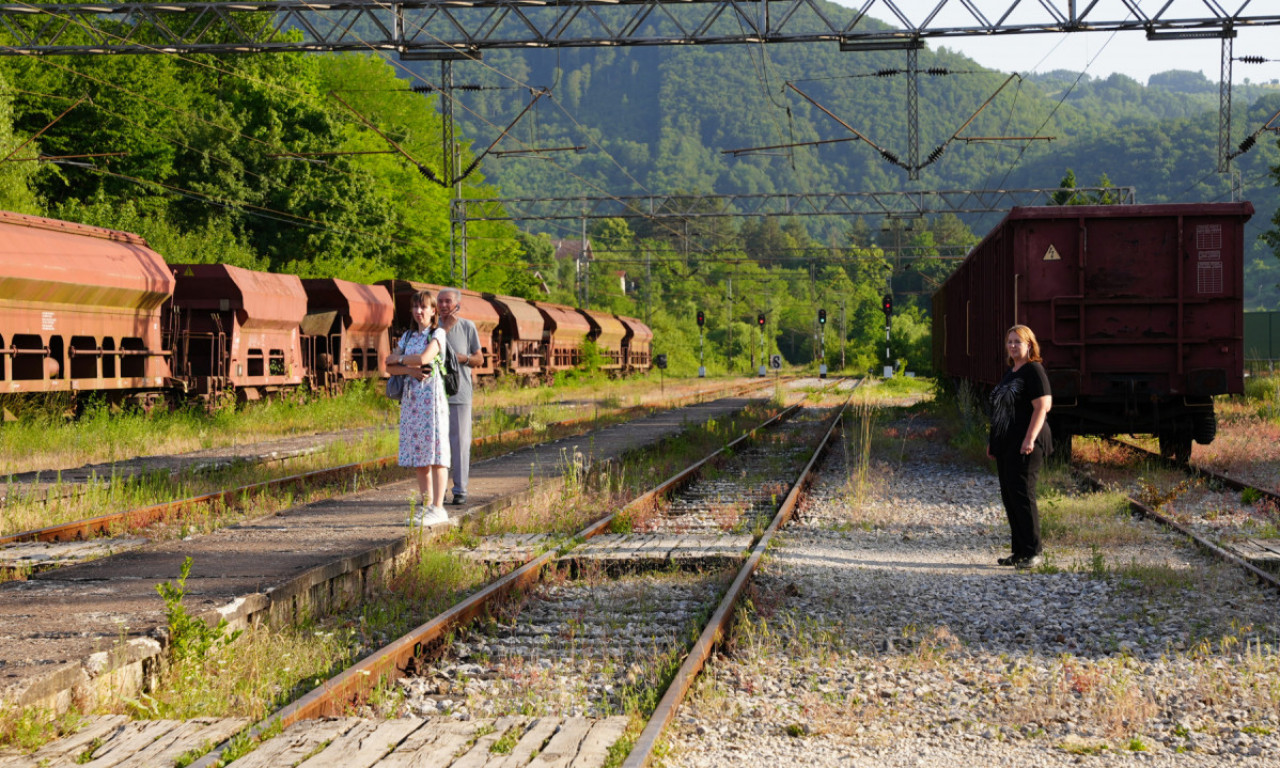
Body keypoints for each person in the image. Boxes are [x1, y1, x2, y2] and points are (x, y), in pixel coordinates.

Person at [987, 324, 1053, 569]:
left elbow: (1042, 407)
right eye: (1010, 341)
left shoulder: (1034, 370)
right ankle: (1018, 551)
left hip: (1026, 444)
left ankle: (1033, 551)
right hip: (1007, 445)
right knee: (1010, 497)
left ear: (1029, 345)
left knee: (1024, 496)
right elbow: (1001, 410)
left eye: (1018, 342)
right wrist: (993, 443)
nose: (1013, 346)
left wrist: (1030, 439)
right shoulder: (1011, 372)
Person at [387, 290, 451, 526]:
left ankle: (439, 507)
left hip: (432, 402)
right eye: (415, 307)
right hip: (413, 402)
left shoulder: (438, 334)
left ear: (433, 311)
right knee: (420, 457)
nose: (418, 311)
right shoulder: (406, 336)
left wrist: (402, 360)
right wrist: (409, 369)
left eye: (423, 307)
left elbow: (425, 357)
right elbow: (388, 364)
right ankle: (426, 507)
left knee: (437, 454)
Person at [437, 287, 483, 506]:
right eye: (440, 301)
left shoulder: (468, 327)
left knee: (460, 443)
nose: (444, 305)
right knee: (437, 444)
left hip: (460, 393)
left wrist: (462, 358)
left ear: (457, 304)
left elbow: (479, 358)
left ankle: (460, 489)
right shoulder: (431, 327)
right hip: (435, 394)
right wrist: (443, 330)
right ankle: (438, 491)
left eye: (448, 301)